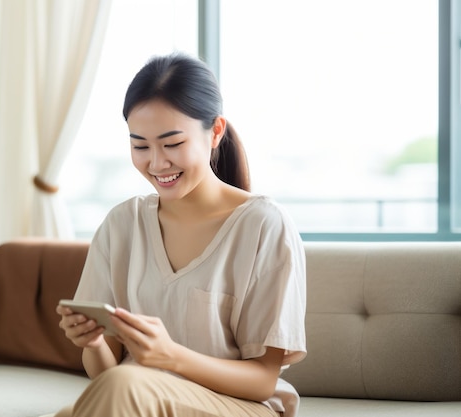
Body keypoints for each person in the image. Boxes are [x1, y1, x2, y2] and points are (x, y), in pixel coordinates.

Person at [55, 53, 306, 417]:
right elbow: (106, 376)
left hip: (239, 406)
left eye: (172, 144)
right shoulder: (121, 224)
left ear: (215, 131)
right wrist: (93, 343)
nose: (156, 164)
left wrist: (170, 356)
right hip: (134, 398)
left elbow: (262, 381)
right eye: (140, 146)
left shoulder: (264, 226)